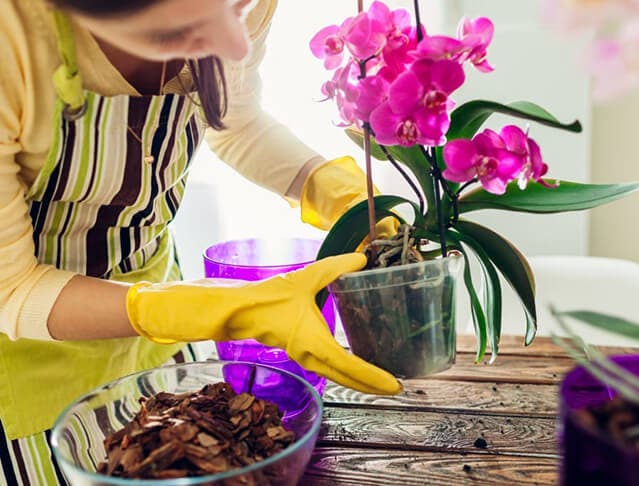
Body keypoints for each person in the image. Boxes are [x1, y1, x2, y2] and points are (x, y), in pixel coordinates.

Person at [0, 0, 401, 482]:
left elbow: (237, 121)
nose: (235, 40)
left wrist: (340, 194)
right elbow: (12, 289)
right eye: (184, 25)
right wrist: (208, 308)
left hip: (156, 354)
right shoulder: (11, 39)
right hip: (27, 378)